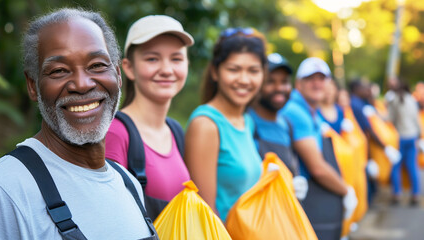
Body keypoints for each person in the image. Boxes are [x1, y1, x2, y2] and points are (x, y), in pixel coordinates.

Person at [0, 8, 156, 239]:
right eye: (59, 70)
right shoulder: (6, 188)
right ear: (33, 86)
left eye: (97, 65)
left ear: (118, 75)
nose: (82, 84)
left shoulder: (128, 182)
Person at [105, 15, 193, 220]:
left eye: (176, 58)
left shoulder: (175, 131)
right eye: (152, 59)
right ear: (128, 67)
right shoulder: (116, 133)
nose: (166, 70)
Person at [184, 27, 266, 222]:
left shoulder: (247, 121)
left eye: (253, 71)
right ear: (215, 72)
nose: (244, 80)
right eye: (233, 69)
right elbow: (206, 214)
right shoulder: (206, 125)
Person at [281, 57, 356, 240]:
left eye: (321, 79)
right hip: (305, 202)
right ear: (298, 84)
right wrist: (346, 191)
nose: (317, 84)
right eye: (310, 79)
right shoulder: (295, 111)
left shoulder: (311, 111)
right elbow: (317, 168)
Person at [247, 52, 308, 200]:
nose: (279, 88)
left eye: (284, 82)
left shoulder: (286, 124)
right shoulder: (247, 123)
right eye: (270, 82)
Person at [387, 80, 421, 205]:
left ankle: (397, 194)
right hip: (412, 137)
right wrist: (419, 136)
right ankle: (415, 195)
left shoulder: (394, 100)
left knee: (395, 167)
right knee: (412, 167)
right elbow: (416, 120)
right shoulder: (411, 100)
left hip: (399, 138)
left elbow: (390, 119)